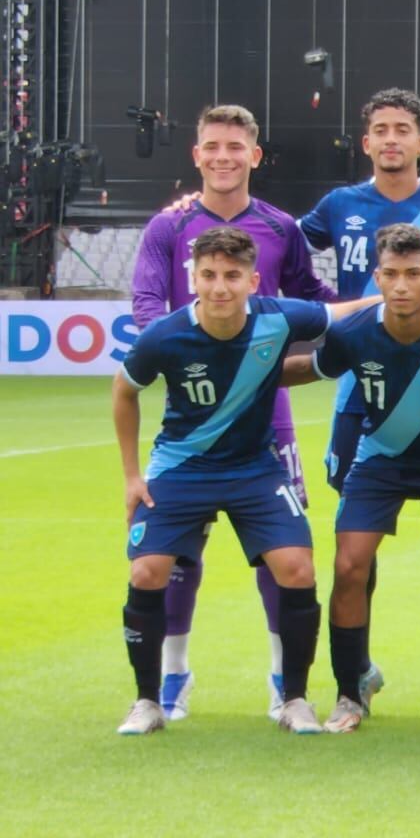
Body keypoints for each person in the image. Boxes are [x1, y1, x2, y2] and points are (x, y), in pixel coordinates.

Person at [112, 227, 372, 735]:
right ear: (193, 279)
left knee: (297, 567)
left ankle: (294, 699)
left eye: (232, 276)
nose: (220, 287)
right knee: (146, 572)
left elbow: (343, 313)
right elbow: (124, 390)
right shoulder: (164, 335)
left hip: (255, 468)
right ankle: (147, 702)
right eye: (208, 275)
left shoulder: (279, 318)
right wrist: (131, 476)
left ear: (253, 281)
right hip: (183, 467)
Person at [130, 104, 336, 722]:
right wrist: (187, 352)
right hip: (190, 415)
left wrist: (390, 308)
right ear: (196, 156)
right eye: (213, 147)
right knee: (173, 556)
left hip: (267, 414)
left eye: (235, 147)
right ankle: (172, 677)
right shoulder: (168, 226)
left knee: (283, 555)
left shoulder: (280, 226)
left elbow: (313, 298)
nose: (224, 157)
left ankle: (282, 681)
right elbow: (146, 303)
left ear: (255, 155)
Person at [297, 88, 420, 721]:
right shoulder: (338, 205)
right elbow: (276, 247)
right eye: (380, 129)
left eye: (402, 129)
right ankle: (356, 676)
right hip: (359, 398)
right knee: (356, 551)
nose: (390, 139)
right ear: (366, 141)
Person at [281, 224, 420, 735]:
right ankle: (349, 695)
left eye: (413, 274)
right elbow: (309, 368)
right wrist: (238, 370)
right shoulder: (353, 332)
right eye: (391, 274)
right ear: (378, 276)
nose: (402, 285)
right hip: (382, 459)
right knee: (349, 566)